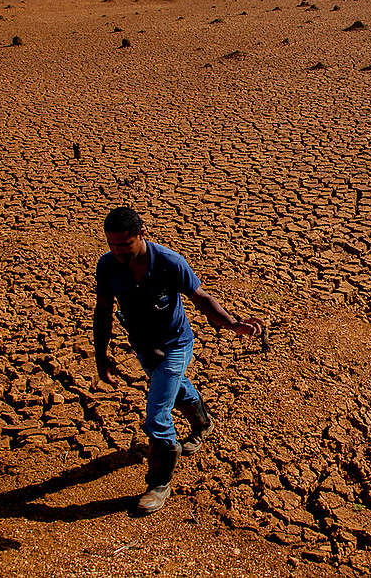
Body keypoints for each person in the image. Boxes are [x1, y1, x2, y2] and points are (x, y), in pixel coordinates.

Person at [93, 206, 263, 514]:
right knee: (175, 388)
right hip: (144, 346)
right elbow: (103, 310)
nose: (116, 251)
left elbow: (200, 298)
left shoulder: (170, 262)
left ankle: (159, 484)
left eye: (123, 244)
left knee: (157, 412)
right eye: (111, 244)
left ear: (141, 235)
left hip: (175, 345)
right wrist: (101, 354)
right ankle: (203, 424)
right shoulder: (107, 266)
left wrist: (232, 323)